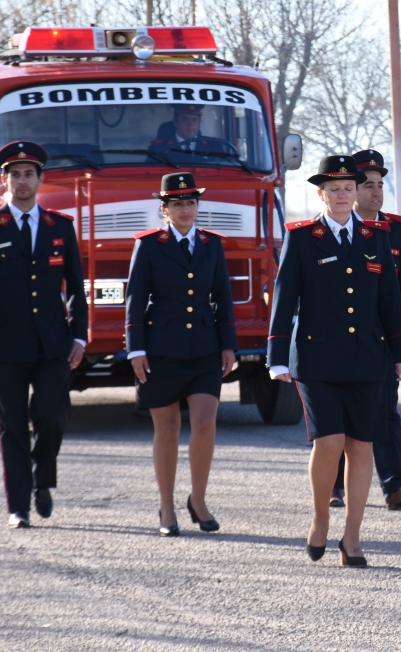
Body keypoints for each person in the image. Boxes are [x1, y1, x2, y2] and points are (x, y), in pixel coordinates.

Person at [267, 155, 401, 568]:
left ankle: (352, 537)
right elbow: (284, 299)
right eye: (335, 189)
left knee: (361, 446)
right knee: (329, 442)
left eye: (349, 188)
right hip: (316, 359)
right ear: (321, 194)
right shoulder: (302, 236)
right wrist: (276, 358)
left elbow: (390, 301)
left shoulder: (376, 236)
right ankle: (319, 519)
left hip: (367, 357)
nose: (344, 195)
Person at [0, 141, 88, 529]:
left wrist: (79, 336)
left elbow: (77, 287)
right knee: (12, 425)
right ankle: (19, 505)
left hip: (53, 344)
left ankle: (42, 480)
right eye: (15, 175)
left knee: (50, 417)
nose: (22, 181)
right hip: (7, 344)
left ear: (40, 179)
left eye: (29, 174)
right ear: (5, 180)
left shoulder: (59, 227)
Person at [125, 172, 237, 536]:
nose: (185, 209)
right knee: (168, 428)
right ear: (164, 209)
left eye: (191, 202)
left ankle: (199, 500)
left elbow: (223, 298)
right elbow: (135, 299)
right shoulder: (149, 245)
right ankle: (166, 507)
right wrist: (136, 349)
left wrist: (228, 344)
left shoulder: (211, 244)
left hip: (204, 347)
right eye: (177, 203)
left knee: (205, 422)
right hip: (161, 349)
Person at [330, 149, 401, 511]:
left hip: (382, 340)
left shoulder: (393, 228)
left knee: (386, 411)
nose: (376, 192)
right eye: (368, 185)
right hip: (339, 340)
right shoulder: (328, 227)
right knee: (338, 415)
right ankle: (333, 487)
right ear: (351, 189)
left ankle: (394, 486)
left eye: (380, 185)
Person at [148, 104, 231, 155]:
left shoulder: (214, 146)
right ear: (175, 122)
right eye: (185, 119)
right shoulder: (159, 148)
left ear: (199, 123)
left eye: (194, 120)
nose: (190, 124)